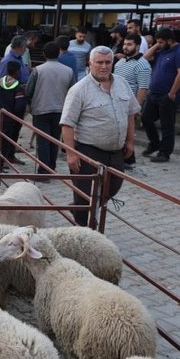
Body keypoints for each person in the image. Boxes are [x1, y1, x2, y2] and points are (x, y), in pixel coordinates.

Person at [60, 46, 140, 227]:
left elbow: (130, 113)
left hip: (116, 150)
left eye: (108, 62)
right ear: (90, 63)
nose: (104, 66)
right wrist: (71, 153)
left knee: (114, 186)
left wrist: (130, 141)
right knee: (84, 194)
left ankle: (86, 209)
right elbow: (67, 123)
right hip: (88, 150)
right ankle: (86, 230)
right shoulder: (79, 89)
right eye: (99, 62)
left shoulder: (122, 83)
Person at [140, 28, 180, 162]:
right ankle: (155, 143)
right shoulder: (162, 51)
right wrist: (157, 45)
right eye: (158, 42)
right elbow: (144, 58)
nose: (159, 45)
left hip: (168, 95)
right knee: (146, 118)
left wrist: (172, 93)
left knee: (166, 124)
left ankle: (164, 152)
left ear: (170, 40)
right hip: (154, 93)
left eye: (162, 42)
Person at [25, 41, 74, 178]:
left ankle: (43, 171)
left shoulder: (38, 70)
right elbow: (73, 92)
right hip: (61, 110)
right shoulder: (68, 71)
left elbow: (29, 91)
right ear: (59, 53)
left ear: (44, 54)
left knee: (43, 141)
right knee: (55, 140)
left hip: (41, 109)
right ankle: (52, 168)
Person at [113, 34, 151, 168]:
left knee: (126, 132)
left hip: (129, 105)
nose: (125, 47)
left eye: (129, 44)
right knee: (120, 132)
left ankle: (128, 161)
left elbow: (143, 88)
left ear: (138, 46)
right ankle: (126, 160)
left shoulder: (142, 65)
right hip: (116, 103)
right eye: (125, 44)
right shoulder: (121, 62)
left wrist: (136, 108)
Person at [0, 61, 26, 172]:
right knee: (5, 143)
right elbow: (19, 106)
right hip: (10, 120)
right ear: (17, 72)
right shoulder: (18, 88)